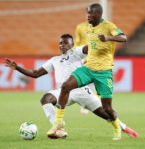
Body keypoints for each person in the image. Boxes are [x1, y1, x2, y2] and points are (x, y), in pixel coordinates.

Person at [4, 34, 138, 139]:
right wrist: (17, 68)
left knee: (106, 114)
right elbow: (35, 73)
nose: (62, 45)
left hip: (82, 92)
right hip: (64, 94)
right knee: (45, 99)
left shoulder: (76, 52)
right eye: (60, 43)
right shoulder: (54, 60)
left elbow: (88, 48)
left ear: (72, 44)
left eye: (65, 43)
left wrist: (100, 41)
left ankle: (124, 127)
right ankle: (59, 129)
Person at [49, 3, 131, 141]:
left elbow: (124, 37)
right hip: (88, 69)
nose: (87, 16)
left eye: (90, 14)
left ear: (98, 14)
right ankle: (59, 122)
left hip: (104, 72)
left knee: (107, 108)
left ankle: (117, 127)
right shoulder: (86, 27)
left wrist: (108, 38)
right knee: (65, 86)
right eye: (87, 13)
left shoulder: (109, 26)